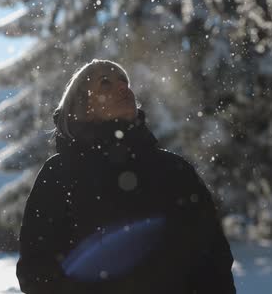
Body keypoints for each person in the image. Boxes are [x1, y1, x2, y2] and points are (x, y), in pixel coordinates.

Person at [16, 59, 236, 294]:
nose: (123, 87)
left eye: (124, 81)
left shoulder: (174, 169)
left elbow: (213, 259)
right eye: (105, 83)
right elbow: (37, 268)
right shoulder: (60, 173)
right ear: (82, 107)